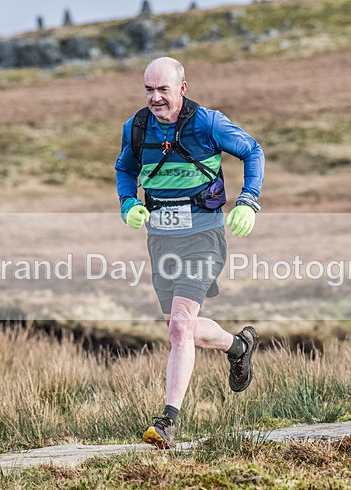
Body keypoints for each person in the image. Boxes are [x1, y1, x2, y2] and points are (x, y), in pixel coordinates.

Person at [114, 57, 264, 448]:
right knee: (181, 328)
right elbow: (124, 169)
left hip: (204, 234)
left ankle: (167, 421)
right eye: (149, 89)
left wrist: (248, 201)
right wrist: (128, 203)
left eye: (163, 89)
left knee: (180, 327)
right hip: (161, 238)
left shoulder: (208, 123)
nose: (155, 98)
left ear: (182, 87)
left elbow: (253, 151)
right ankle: (239, 345)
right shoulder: (137, 126)